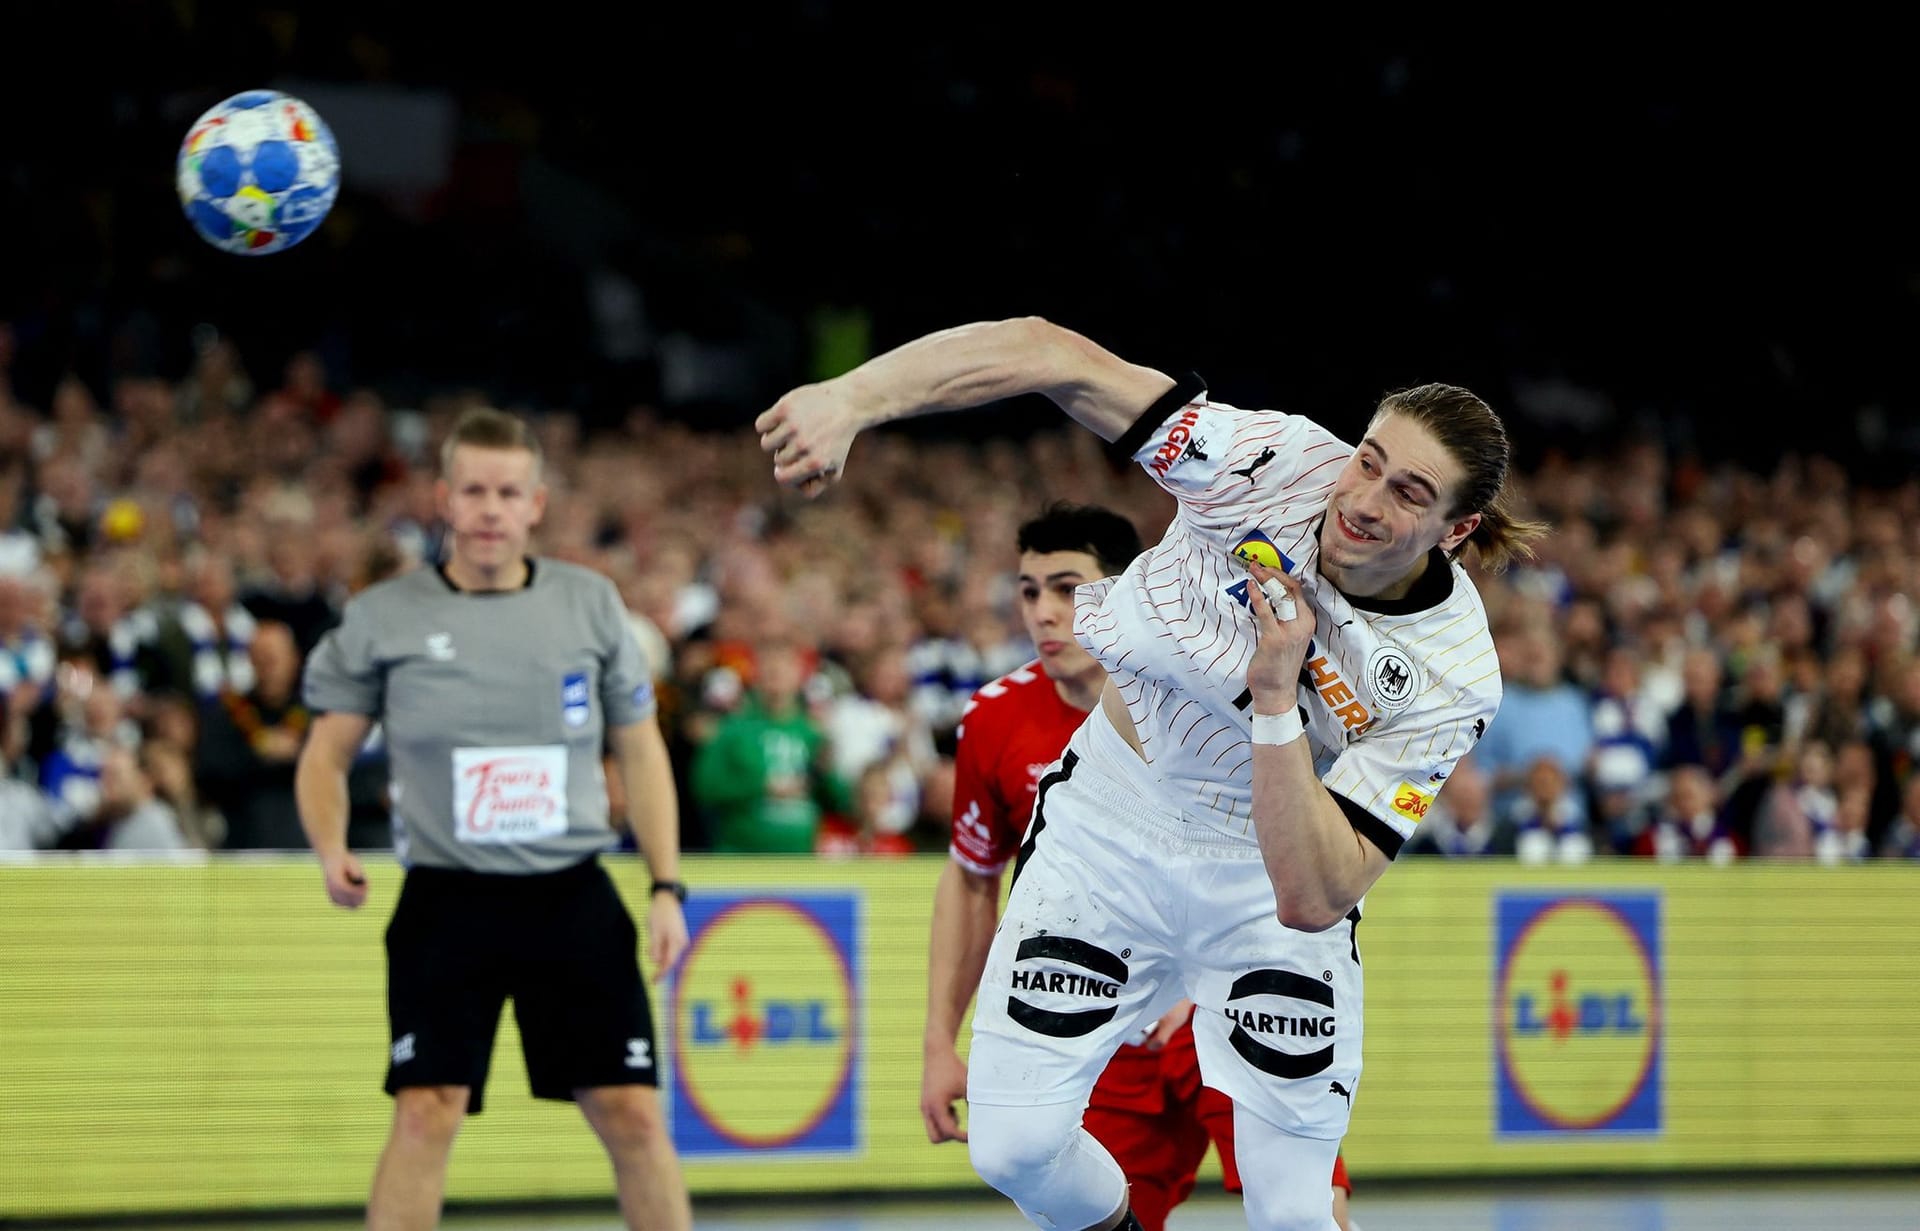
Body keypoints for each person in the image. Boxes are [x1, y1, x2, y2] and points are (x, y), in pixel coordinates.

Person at [759, 317, 1543, 1231]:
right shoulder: (1269, 460)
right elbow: (1050, 352)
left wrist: (1278, 690)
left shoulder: (1453, 675)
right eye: (1368, 460)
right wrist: (853, 398)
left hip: (1266, 872)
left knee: (1295, 1213)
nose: (1364, 499)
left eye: (1410, 492)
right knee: (1011, 1148)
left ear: (1459, 530)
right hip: (1110, 820)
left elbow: (1313, 893)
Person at [295, 407, 693, 1231]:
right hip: (447, 900)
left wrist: (665, 884)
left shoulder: (590, 604)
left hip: (571, 896)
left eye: (507, 491)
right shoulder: (385, 617)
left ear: (535, 504)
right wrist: (330, 846)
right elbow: (325, 753)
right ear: (444, 497)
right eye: (473, 489)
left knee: (634, 1111)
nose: (489, 507)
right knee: (425, 1107)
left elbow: (642, 750)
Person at [922, 501, 1355, 1231]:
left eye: (1066, 587)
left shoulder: (1222, 686)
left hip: (1224, 1000)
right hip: (1102, 1019)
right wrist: (940, 1040)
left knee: (1305, 1211)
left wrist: (1199, 964)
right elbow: (971, 879)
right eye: (1028, 591)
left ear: (1123, 593)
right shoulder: (995, 720)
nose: (1044, 613)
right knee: (1067, 1198)